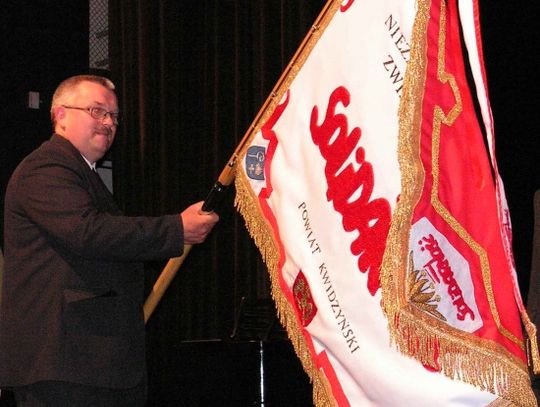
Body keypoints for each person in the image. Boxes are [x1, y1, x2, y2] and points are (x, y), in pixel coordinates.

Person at [0, 74, 219, 406]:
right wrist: (176, 229)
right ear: (60, 115)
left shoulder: (81, 174)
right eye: (96, 110)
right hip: (67, 362)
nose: (108, 122)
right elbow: (88, 232)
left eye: (114, 116)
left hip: (95, 363)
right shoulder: (45, 168)